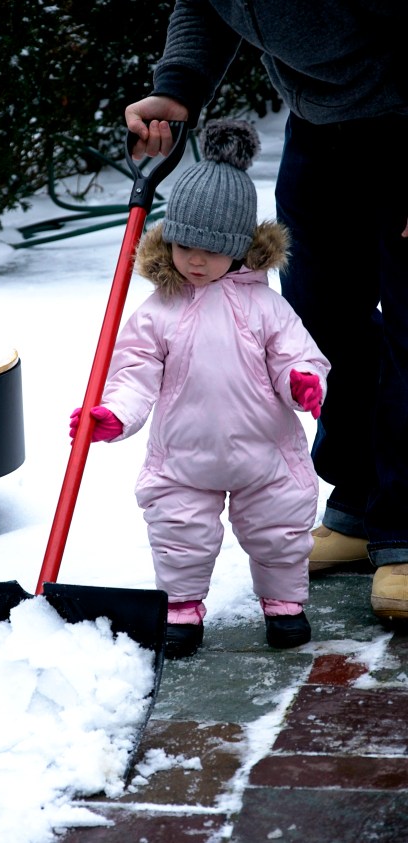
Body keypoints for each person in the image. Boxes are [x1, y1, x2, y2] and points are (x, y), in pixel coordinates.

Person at [123, 1, 408, 624]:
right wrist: (178, 88)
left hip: (405, 118)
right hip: (318, 125)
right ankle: (361, 503)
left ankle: (406, 530)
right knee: (320, 321)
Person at [70, 119, 330, 659]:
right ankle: (183, 609)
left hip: (266, 453)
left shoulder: (266, 306)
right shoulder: (159, 311)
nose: (194, 260)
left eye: (210, 251)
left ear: (239, 248)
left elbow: (294, 354)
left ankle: (283, 604)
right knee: (178, 533)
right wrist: (113, 414)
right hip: (184, 457)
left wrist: (303, 382)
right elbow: (134, 372)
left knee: (280, 531)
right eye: (185, 245)